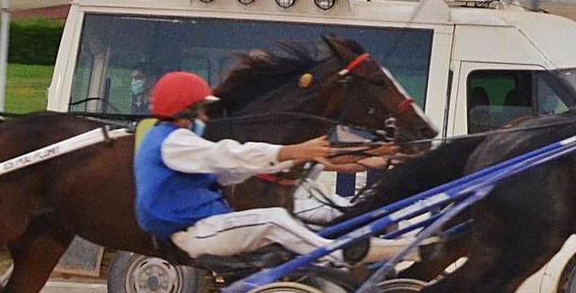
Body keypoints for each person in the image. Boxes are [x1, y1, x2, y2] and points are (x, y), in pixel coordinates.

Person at [133, 72, 418, 266]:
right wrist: (293, 151)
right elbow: (230, 155)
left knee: (286, 220)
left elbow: (232, 173)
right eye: (201, 110)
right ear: (185, 110)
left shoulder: (176, 143)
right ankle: (341, 258)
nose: (204, 117)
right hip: (195, 233)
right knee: (275, 219)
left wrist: (294, 158)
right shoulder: (172, 142)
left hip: (206, 226)